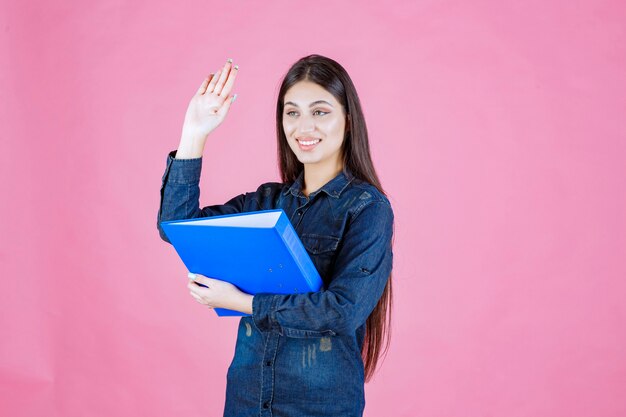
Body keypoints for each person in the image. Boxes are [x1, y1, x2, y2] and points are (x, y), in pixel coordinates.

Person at [157, 54, 395, 417]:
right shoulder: (267, 201)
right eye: (292, 112)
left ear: (348, 120)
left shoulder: (367, 208)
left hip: (319, 406)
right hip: (247, 401)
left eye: (319, 112)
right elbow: (176, 228)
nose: (304, 126)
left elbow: (342, 311)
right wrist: (195, 134)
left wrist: (245, 303)